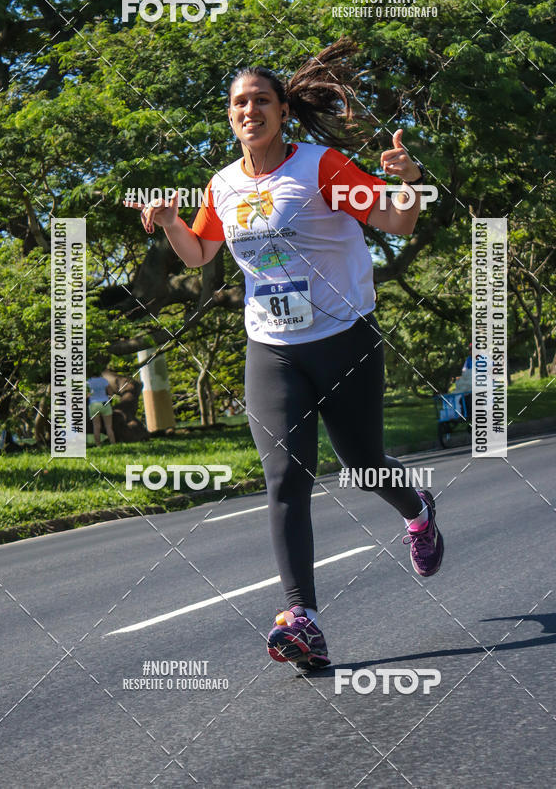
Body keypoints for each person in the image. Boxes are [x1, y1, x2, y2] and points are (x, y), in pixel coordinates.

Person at [127, 38, 444, 670]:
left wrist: (410, 183)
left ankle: (417, 510)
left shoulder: (322, 167)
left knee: (361, 463)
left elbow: (397, 222)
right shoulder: (222, 185)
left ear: (282, 111)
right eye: (239, 103)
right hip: (272, 349)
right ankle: (303, 620)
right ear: (230, 116)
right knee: (285, 478)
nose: (250, 110)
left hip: (345, 339)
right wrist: (170, 225)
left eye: (261, 100)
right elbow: (201, 254)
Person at [87, 373, 116, 447]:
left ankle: (98, 445)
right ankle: (113, 444)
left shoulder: (88, 381)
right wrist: (109, 398)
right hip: (105, 403)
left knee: (96, 427)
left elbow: (86, 395)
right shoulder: (104, 380)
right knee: (109, 427)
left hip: (93, 404)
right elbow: (110, 393)